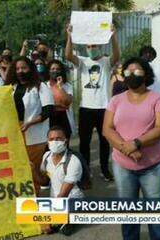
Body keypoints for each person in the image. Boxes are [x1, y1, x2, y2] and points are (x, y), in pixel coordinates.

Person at [103, 57, 160, 240]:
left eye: (137, 71)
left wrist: (137, 143)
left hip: (154, 166)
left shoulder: (157, 99)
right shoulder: (116, 100)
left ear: (146, 74)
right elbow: (107, 129)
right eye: (128, 72)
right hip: (123, 166)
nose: (132, 74)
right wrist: (129, 149)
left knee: (155, 214)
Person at [65, 23, 120, 182]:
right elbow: (68, 55)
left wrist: (114, 36)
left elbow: (117, 55)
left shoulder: (106, 62)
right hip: (85, 109)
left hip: (104, 108)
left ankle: (104, 169)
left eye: (93, 45)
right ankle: (85, 169)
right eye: (88, 46)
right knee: (84, 142)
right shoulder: (82, 61)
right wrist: (69, 36)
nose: (91, 48)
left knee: (105, 141)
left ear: (100, 46)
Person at [6, 56, 54, 195]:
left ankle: (34, 199)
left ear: (30, 69)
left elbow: (48, 110)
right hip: (15, 134)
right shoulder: (11, 88)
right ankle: (19, 199)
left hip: (35, 134)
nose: (20, 71)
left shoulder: (40, 86)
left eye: (24, 68)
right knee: (17, 168)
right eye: (18, 68)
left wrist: (29, 123)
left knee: (31, 168)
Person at [31, 125, 84, 236]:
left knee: (63, 230)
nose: (55, 141)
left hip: (70, 200)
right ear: (47, 142)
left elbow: (63, 195)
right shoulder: (46, 157)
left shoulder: (73, 161)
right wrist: (34, 171)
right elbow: (44, 182)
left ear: (66, 141)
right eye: (51, 139)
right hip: (56, 200)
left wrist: (48, 218)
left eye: (59, 139)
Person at [46, 60, 76, 139]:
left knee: (64, 140)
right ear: (49, 71)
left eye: (57, 69)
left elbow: (67, 101)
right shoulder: (45, 86)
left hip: (64, 117)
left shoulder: (67, 86)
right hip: (50, 118)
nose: (55, 71)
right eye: (52, 69)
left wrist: (60, 87)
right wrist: (57, 105)